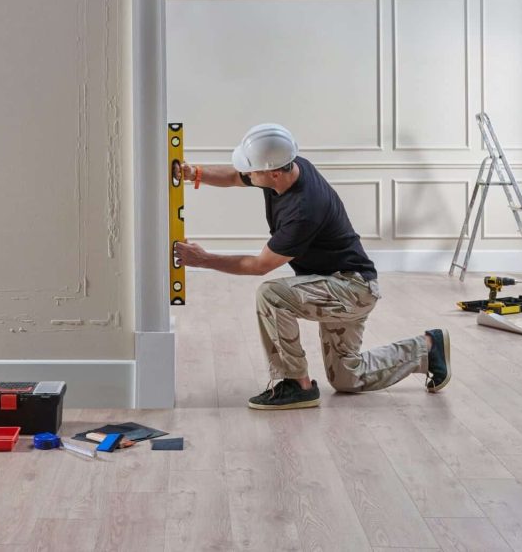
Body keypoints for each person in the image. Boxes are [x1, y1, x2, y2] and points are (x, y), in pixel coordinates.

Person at [174, 123, 451, 410]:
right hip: (333, 283)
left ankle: (296, 384)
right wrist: (193, 173)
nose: (246, 174)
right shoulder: (287, 168)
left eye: (251, 170)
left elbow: (258, 265)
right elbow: (235, 176)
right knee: (347, 378)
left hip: (352, 288)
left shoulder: (303, 210)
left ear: (274, 173)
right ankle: (428, 348)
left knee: (271, 294)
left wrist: (202, 259)